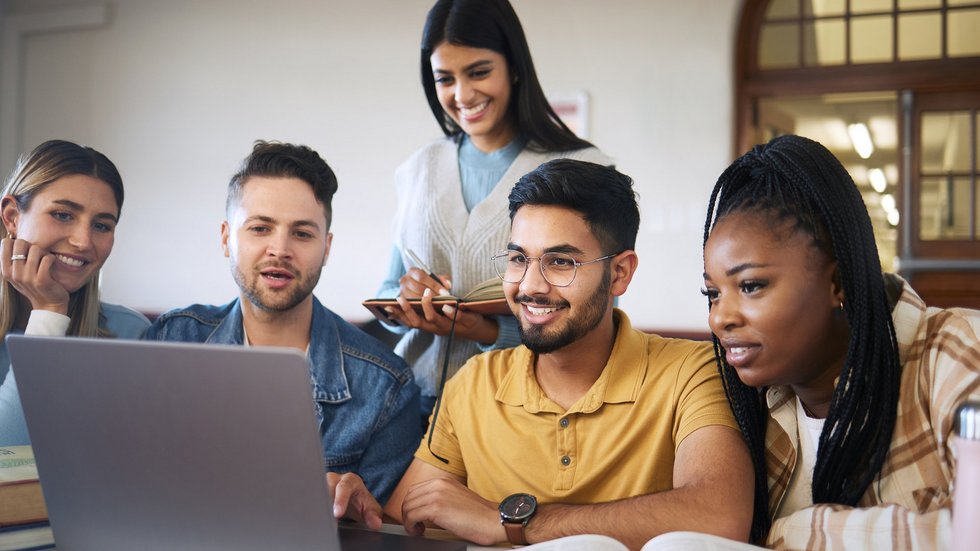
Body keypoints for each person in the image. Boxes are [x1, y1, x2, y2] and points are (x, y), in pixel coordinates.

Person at [332, 159, 754, 549]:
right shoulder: (474, 382)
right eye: (519, 259)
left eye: (560, 262)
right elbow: (406, 519)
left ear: (619, 273)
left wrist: (510, 522)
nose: (530, 285)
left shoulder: (691, 370)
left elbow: (717, 515)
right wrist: (357, 510)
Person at [693, 134, 980, 548]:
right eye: (713, 294)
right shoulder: (744, 401)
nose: (721, 318)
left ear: (838, 282)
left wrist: (795, 533)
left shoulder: (955, 351)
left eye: (751, 285)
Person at [142, 141, 420, 505]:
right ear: (227, 238)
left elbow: (371, 531)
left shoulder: (386, 389)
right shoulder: (170, 340)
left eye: (302, 233)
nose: (280, 249)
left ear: (327, 248)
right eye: (260, 228)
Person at [378, 0, 613, 424]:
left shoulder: (583, 167)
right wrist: (407, 298)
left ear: (515, 67)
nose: (462, 95)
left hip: (524, 410)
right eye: (444, 79)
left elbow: (595, 305)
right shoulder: (417, 169)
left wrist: (489, 333)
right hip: (410, 406)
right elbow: (388, 291)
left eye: (479, 72)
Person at [0, 140, 150, 445]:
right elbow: (8, 450)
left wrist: (49, 309)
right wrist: (49, 314)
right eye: (63, 215)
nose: (83, 241)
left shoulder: (130, 334)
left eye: (102, 225)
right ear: (12, 216)